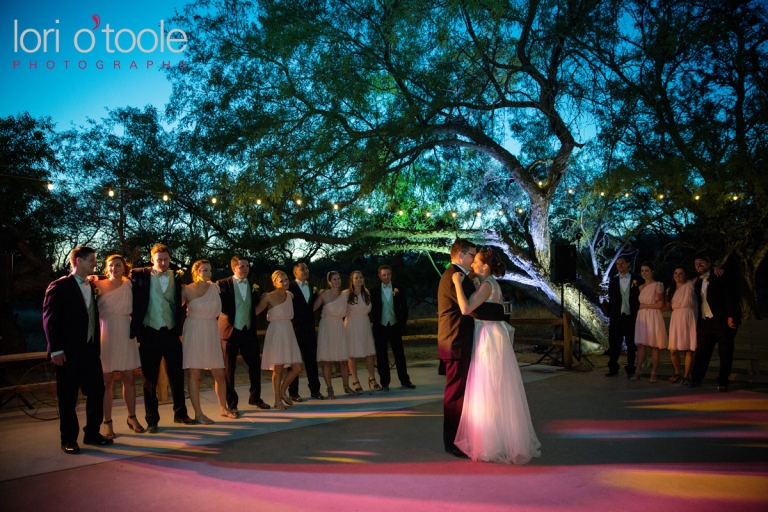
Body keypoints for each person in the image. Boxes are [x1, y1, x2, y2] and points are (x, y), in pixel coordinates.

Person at [451, 249, 541, 464]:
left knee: (488, 386)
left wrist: (456, 282)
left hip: (489, 337)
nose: (472, 264)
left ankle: (491, 443)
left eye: (477, 262)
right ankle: (498, 438)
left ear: (485, 266)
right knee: (495, 386)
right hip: (491, 333)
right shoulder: (489, 284)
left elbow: (465, 308)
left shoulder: (487, 285)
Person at [438, 238, 506, 458]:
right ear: (461, 255)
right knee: (455, 395)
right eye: (471, 255)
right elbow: (472, 310)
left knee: (461, 394)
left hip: (461, 341)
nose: (472, 260)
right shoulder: (454, 277)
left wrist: (500, 314)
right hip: (456, 342)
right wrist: (502, 315)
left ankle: (461, 437)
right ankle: (452, 442)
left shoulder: (462, 277)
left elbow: (477, 307)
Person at [42, 246, 113, 453]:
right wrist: (55, 350)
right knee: (68, 397)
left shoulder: (91, 286)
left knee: (97, 391)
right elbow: (49, 321)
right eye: (91, 260)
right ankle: (68, 439)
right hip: (68, 353)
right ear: (77, 261)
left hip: (90, 351)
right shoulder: (59, 286)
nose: (95, 263)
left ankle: (92, 433)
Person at [131, 244, 194, 433]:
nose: (164, 262)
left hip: (171, 332)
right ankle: (152, 420)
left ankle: (180, 413)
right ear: (152, 260)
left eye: (166, 259)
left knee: (177, 375)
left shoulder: (177, 276)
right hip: (149, 332)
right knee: (149, 379)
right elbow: (115, 279)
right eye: (159, 259)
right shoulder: (139, 275)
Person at [93, 254, 143, 438]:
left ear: (124, 267)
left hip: (125, 331)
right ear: (107, 268)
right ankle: (107, 423)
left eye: (118, 265)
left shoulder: (131, 285)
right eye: (111, 265)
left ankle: (132, 417)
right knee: (106, 382)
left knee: (128, 379)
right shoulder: (97, 285)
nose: (114, 268)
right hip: (105, 333)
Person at [181, 260, 236, 424]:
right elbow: (174, 309)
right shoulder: (187, 290)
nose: (209, 273)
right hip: (194, 330)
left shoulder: (215, 288)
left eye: (210, 270)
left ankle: (223, 408)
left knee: (219, 372)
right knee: (194, 373)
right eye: (205, 270)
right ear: (196, 271)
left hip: (212, 330)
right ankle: (198, 413)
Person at [217, 255, 270, 412]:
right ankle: (232, 403)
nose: (245, 269)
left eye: (247, 266)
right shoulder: (222, 284)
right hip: (230, 332)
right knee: (229, 370)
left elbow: (254, 304)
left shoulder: (253, 285)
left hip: (248, 332)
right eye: (242, 266)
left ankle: (255, 398)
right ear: (234, 268)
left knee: (255, 365)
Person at [689, 255, 741, 391]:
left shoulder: (720, 275)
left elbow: (730, 296)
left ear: (709, 263)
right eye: (696, 263)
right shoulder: (698, 281)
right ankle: (696, 379)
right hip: (706, 322)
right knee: (701, 352)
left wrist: (731, 316)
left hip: (723, 322)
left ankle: (723, 381)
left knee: (725, 353)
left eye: (701, 262)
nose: (698, 264)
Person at [256, 271, 304, 409]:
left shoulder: (290, 295)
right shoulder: (268, 297)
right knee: (278, 369)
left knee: (297, 367)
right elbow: (254, 312)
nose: (285, 282)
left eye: (286, 279)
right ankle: (277, 400)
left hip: (288, 331)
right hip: (276, 332)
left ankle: (282, 391)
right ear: (275, 283)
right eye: (281, 280)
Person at [370, 265, 414, 391]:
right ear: (379, 275)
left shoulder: (399, 288)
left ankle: (405, 380)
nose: (386, 277)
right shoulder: (374, 291)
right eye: (383, 275)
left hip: (395, 326)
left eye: (388, 274)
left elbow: (404, 307)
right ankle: (385, 383)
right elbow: (372, 309)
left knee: (399, 354)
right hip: (381, 327)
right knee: (381, 355)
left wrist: (402, 323)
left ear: (391, 274)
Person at [287, 262, 324, 401]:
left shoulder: (312, 287)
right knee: (294, 363)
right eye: (302, 269)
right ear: (295, 272)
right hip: (294, 330)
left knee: (311, 362)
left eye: (307, 268)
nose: (305, 270)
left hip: (309, 330)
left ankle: (315, 390)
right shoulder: (289, 287)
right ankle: (293, 392)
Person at [314, 271, 353, 399]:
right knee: (327, 361)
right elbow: (311, 309)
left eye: (339, 278)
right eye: (334, 279)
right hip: (327, 328)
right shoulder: (323, 295)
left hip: (339, 327)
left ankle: (346, 386)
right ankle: (330, 389)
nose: (337, 281)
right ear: (329, 282)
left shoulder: (345, 295)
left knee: (343, 360)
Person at [631, 262, 668, 382]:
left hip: (653, 316)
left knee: (654, 345)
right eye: (642, 271)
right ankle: (638, 371)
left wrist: (646, 305)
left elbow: (660, 304)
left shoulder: (658, 285)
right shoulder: (640, 287)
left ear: (652, 271)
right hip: (642, 316)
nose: (644, 273)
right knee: (641, 344)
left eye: (647, 270)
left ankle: (654, 372)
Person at [606, 256, 641, 378]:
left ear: (628, 264)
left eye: (622, 263)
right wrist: (610, 314)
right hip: (616, 317)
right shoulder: (613, 281)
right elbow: (611, 299)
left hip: (631, 316)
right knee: (614, 342)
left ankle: (630, 368)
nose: (619, 266)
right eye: (617, 264)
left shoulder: (636, 279)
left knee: (631, 343)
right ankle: (613, 367)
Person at [345, 270, 378, 393]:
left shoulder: (367, 293)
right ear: (352, 281)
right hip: (351, 325)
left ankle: (372, 378)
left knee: (369, 353)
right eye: (356, 278)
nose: (359, 279)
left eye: (361, 277)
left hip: (364, 323)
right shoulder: (346, 294)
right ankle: (355, 380)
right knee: (352, 354)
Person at [666, 266, 698, 385]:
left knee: (689, 349)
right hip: (676, 318)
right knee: (673, 350)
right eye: (675, 273)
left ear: (685, 275)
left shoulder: (691, 285)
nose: (677, 275)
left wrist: (714, 268)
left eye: (680, 273)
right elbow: (665, 307)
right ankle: (677, 373)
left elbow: (704, 274)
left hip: (689, 316)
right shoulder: (670, 290)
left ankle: (687, 375)